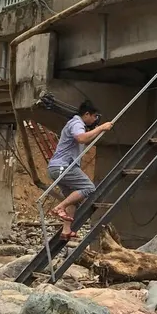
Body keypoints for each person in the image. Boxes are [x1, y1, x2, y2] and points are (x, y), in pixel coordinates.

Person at [47, 101, 114, 239]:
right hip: (64, 166)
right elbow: (81, 138)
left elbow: (85, 137)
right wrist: (101, 128)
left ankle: (66, 230)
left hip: (57, 167)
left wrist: (97, 130)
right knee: (89, 188)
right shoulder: (77, 123)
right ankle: (60, 207)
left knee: (72, 198)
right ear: (87, 114)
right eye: (94, 116)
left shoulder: (76, 124)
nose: (95, 119)